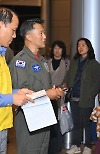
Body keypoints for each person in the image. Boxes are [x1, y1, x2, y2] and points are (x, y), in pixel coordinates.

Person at [9, 18, 64, 154]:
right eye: (41, 33)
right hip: (29, 119)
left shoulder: (43, 61)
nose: (44, 37)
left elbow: (44, 85)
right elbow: (21, 95)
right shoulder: (20, 61)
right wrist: (48, 93)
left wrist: (54, 91)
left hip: (44, 116)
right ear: (29, 36)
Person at [0, 7, 34, 154]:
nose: (14, 36)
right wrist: (12, 98)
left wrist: (16, 92)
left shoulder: (2, 55)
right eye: (13, 30)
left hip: (2, 125)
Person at [64, 38, 100, 154]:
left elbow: (97, 82)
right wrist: (65, 85)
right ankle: (76, 145)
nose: (80, 47)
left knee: (87, 124)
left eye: (83, 45)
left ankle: (88, 146)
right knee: (77, 124)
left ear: (88, 47)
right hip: (74, 97)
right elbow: (69, 76)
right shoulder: (74, 62)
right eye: (79, 45)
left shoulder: (94, 64)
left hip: (86, 99)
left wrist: (90, 95)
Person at [47, 40, 70, 153]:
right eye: (55, 48)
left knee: (58, 122)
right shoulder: (47, 62)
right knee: (50, 123)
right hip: (48, 96)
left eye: (59, 48)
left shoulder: (66, 63)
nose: (57, 51)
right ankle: (51, 146)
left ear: (63, 50)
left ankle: (57, 147)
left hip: (61, 97)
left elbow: (69, 79)